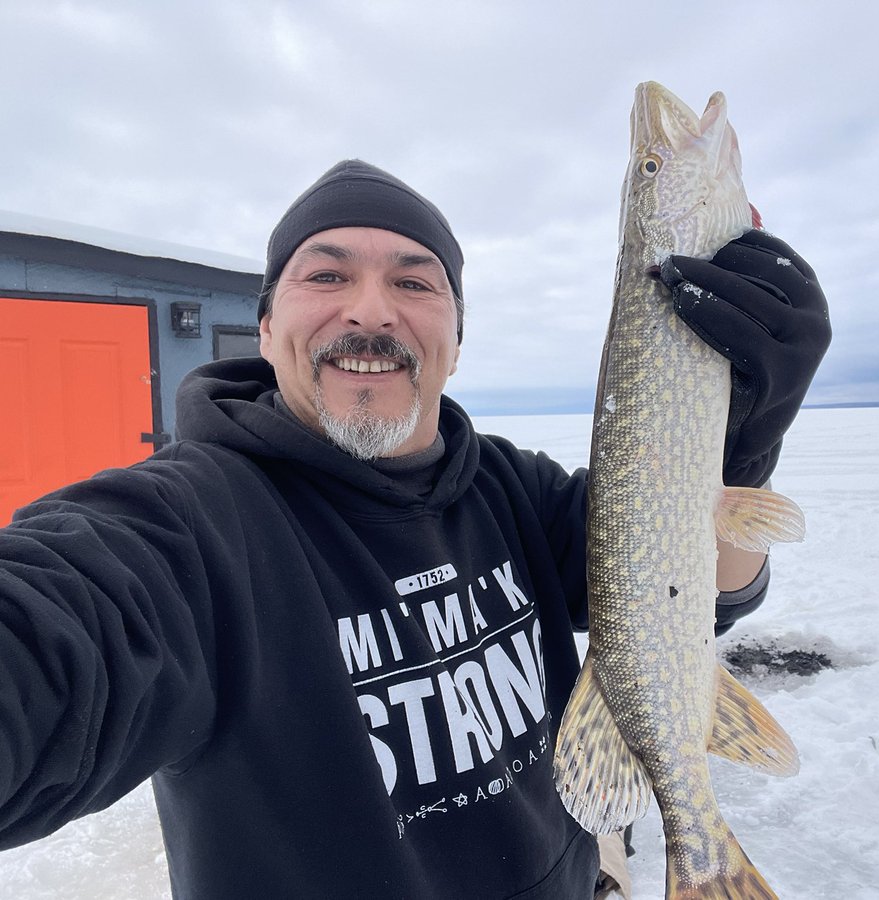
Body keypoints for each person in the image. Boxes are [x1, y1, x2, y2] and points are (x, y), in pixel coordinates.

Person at [0, 159, 831, 898]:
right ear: (264, 327)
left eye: (414, 282)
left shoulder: (515, 488)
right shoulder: (179, 530)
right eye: (326, 276)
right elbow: (50, 635)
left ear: (456, 340)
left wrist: (746, 447)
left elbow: (702, 595)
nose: (371, 311)